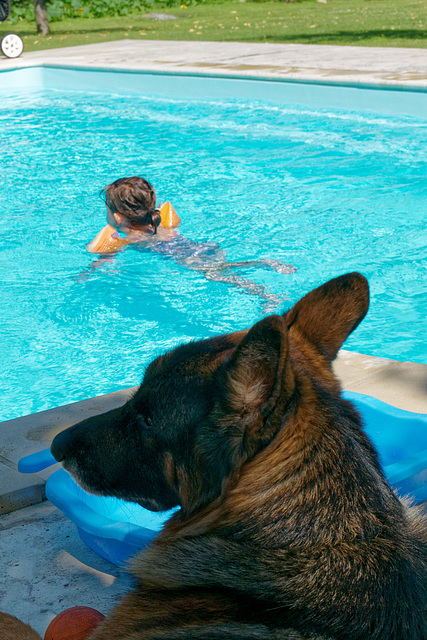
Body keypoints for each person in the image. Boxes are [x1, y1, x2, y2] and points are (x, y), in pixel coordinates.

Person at [89, 176, 296, 313]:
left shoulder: (129, 239)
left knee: (221, 276)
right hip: (200, 247)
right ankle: (263, 263)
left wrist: (90, 271)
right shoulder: (159, 224)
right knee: (225, 268)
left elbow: (105, 260)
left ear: (117, 218)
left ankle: (266, 295)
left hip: (189, 258)